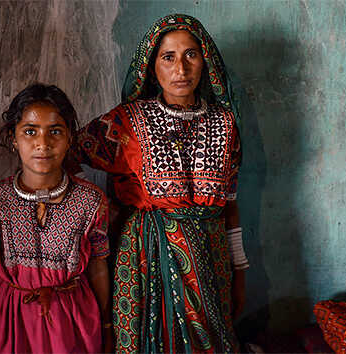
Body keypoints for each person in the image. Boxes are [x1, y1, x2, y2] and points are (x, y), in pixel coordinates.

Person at [74, 14, 250, 353]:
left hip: (211, 260)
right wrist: (98, 205)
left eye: (191, 55)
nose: (180, 69)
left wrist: (239, 271)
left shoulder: (225, 124)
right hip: (144, 255)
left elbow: (230, 203)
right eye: (168, 57)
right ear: (151, 66)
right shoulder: (127, 121)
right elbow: (68, 151)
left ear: (205, 62)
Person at [0, 84, 114, 353]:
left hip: (74, 324)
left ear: (70, 138)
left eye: (55, 131)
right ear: (13, 137)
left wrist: (106, 330)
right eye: (30, 131)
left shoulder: (91, 201)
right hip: (10, 324)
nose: (43, 144)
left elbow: (98, 269)